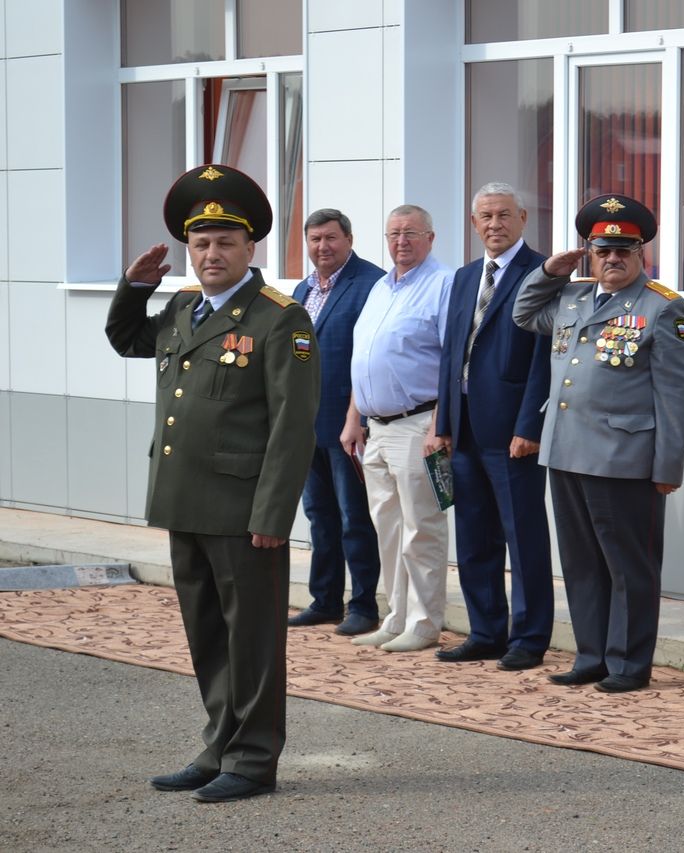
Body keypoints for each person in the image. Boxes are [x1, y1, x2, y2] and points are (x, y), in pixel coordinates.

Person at [105, 164, 320, 802]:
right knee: (206, 633)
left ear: (250, 248)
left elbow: (293, 424)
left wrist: (272, 515)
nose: (211, 254)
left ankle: (253, 761)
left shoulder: (281, 320)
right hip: (184, 498)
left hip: (243, 509)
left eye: (225, 242)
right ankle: (218, 745)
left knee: (251, 638)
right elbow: (125, 340)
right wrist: (132, 286)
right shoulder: (179, 310)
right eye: (200, 244)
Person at [512, 193, 684, 693]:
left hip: (624, 459)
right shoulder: (571, 298)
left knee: (628, 566)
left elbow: (677, 395)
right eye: (602, 250)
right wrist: (551, 270)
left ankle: (629, 665)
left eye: (623, 250)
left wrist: (667, 466)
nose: (612, 259)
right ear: (590, 253)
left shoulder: (661, 306)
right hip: (566, 451)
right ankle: (591, 656)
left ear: (641, 255)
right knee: (580, 563)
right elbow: (523, 314)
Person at [429, 183, 554, 671]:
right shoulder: (463, 278)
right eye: (485, 216)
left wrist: (530, 425)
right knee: (475, 537)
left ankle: (529, 637)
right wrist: (442, 423)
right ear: (474, 222)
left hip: (512, 434)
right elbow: (450, 352)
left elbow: (545, 358)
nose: (495, 224)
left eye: (504, 214)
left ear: (523, 217)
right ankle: (485, 631)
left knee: (523, 538)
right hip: (463, 430)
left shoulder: (543, 273)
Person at [344, 204, 454, 653]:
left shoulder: (442, 284)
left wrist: (439, 425)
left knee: (421, 528)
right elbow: (364, 356)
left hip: (418, 425)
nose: (401, 241)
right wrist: (354, 417)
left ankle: (426, 622)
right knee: (387, 527)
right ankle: (396, 616)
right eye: (393, 234)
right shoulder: (379, 288)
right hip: (376, 427)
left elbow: (453, 362)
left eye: (411, 233)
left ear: (431, 237)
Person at [287, 208, 386, 636]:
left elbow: (368, 360)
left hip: (348, 427)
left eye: (330, 238)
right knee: (318, 516)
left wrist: (358, 418)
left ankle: (362, 606)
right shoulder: (302, 288)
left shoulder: (371, 284)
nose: (322, 247)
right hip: (305, 425)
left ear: (349, 238)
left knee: (355, 518)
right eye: (314, 240)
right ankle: (324, 599)